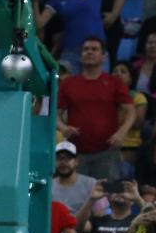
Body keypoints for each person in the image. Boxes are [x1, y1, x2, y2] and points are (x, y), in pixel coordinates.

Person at [57, 36, 135, 180]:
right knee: (78, 198)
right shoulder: (68, 84)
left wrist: (121, 133)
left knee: (107, 196)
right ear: (80, 56)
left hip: (107, 152)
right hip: (76, 152)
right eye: (86, 49)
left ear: (104, 56)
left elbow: (131, 111)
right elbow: (56, 113)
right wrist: (63, 128)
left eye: (94, 49)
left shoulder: (114, 83)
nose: (90, 52)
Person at [51, 140, 98, 214]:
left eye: (68, 158)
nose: (63, 162)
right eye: (59, 158)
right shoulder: (49, 186)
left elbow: (103, 213)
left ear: (76, 162)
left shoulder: (91, 183)